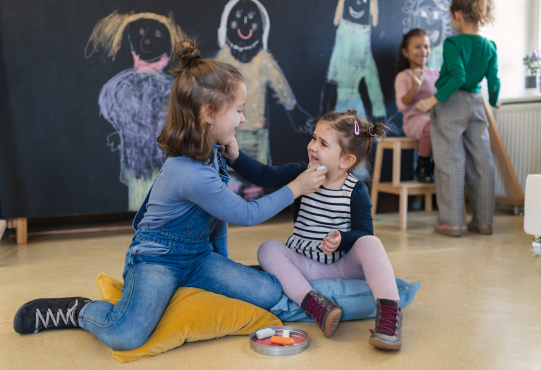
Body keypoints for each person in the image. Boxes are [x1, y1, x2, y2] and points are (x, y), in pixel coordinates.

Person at [13, 40, 327, 351]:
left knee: (268, 293)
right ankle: (78, 310)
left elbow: (214, 218)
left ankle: (191, 285)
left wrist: (224, 264)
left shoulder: (211, 153)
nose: (243, 120)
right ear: (208, 114)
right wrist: (296, 188)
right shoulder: (190, 174)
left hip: (198, 257)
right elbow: (246, 214)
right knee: (126, 335)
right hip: (157, 260)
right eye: (239, 111)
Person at [224, 110, 403, 351]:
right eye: (313, 138)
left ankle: (389, 317)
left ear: (345, 161)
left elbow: (363, 232)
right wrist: (235, 157)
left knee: (371, 243)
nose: (313, 147)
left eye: (323, 143)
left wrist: (342, 240)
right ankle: (317, 306)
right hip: (305, 264)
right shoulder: (302, 172)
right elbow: (264, 174)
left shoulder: (355, 190)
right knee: (268, 249)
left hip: (340, 265)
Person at [415, 0, 500, 237]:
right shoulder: (490, 45)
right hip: (476, 103)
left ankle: (451, 222)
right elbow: (493, 81)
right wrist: (494, 101)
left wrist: (432, 101)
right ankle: (484, 221)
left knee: (450, 161)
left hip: (450, 103)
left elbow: (457, 76)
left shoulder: (453, 43)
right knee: (482, 161)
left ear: (457, 16)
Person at [395, 28, 439, 183]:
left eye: (426, 46)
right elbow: (402, 105)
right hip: (415, 120)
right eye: (417, 47)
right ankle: (423, 165)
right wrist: (415, 86)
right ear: (405, 52)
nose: (423, 51)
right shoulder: (404, 76)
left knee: (442, 125)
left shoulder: (437, 73)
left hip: (437, 118)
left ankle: (440, 166)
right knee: (431, 125)